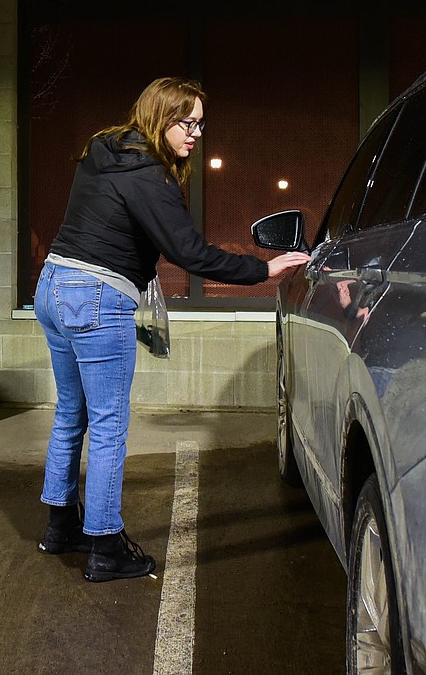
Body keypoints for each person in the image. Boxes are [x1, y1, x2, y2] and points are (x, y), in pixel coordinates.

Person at [33, 77, 310, 583]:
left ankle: (59, 527)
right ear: (161, 117)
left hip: (53, 286)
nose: (196, 133)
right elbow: (190, 252)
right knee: (110, 424)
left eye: (201, 123)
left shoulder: (104, 147)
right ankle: (104, 546)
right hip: (96, 297)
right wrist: (263, 271)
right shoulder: (150, 175)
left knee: (71, 413)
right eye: (188, 122)